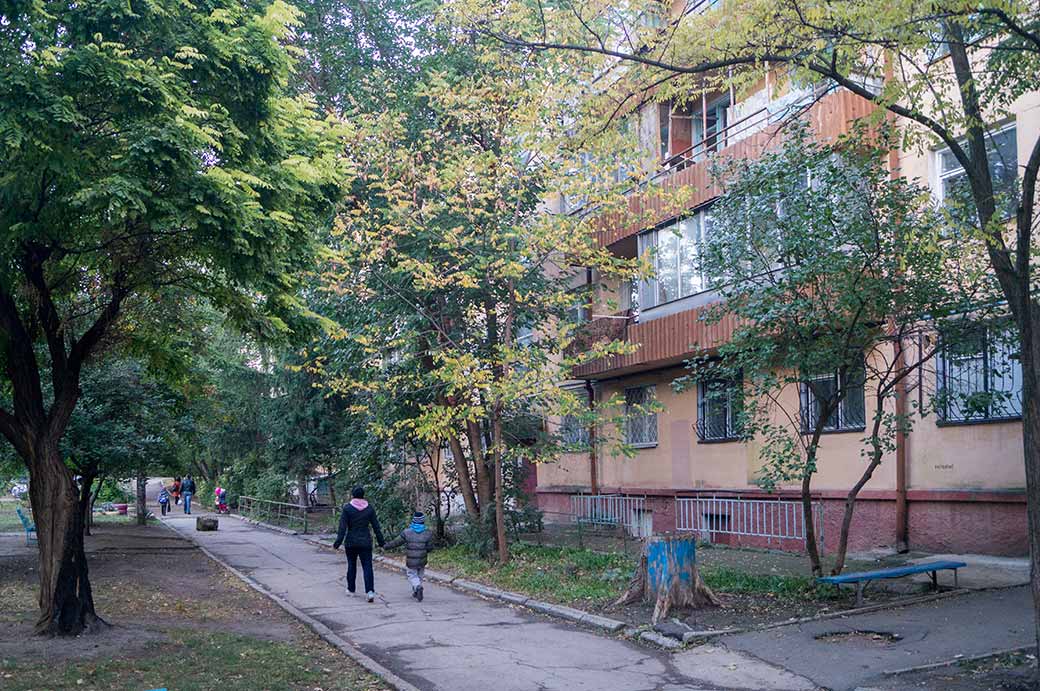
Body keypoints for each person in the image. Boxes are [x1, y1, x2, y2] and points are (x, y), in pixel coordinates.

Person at [332, 486, 385, 602]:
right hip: (365, 541)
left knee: (351, 565)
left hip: (351, 542)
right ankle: (370, 592)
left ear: (352, 495)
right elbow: (376, 527)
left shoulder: (347, 508)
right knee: (367, 566)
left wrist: (337, 543)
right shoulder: (369, 509)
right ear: (363, 495)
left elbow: (342, 528)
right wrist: (382, 542)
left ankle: (351, 590)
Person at [384, 511, 435, 602]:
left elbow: (397, 542)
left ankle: (417, 587)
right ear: (423, 521)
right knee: (419, 575)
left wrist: (386, 546)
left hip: (411, 560)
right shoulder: (428, 533)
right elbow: (430, 547)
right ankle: (416, 590)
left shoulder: (407, 532)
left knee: (412, 575)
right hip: (422, 559)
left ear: (413, 521)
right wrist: (425, 550)